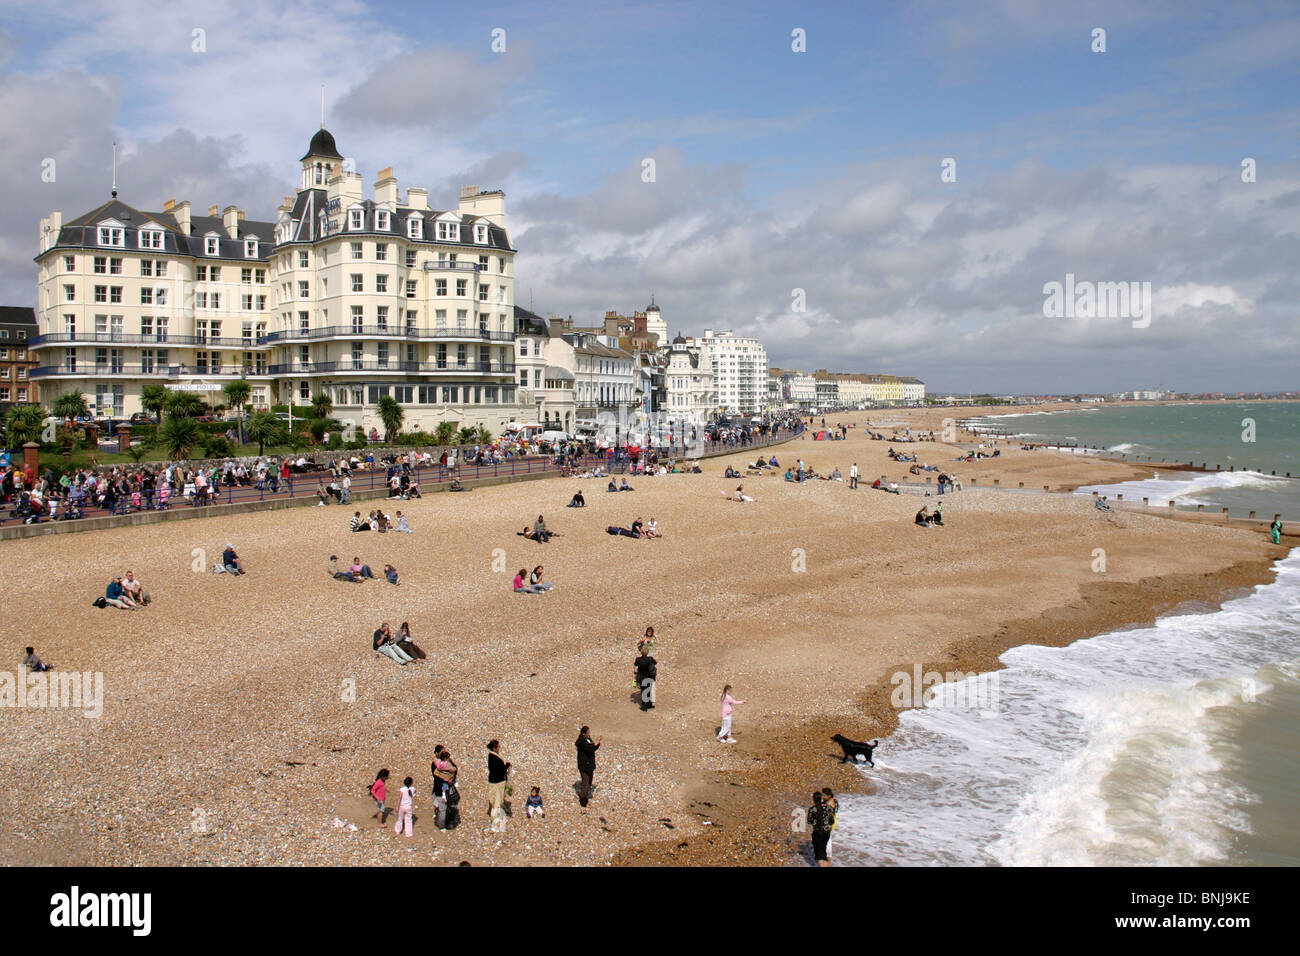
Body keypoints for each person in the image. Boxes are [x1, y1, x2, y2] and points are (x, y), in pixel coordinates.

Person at [575, 725, 601, 807]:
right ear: (583, 733)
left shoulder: (587, 739)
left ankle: (585, 795)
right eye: (588, 732)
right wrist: (596, 744)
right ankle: (583, 800)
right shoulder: (581, 742)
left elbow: (592, 748)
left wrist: (597, 744)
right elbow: (590, 749)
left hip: (589, 765)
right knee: (585, 782)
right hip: (584, 765)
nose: (589, 734)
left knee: (589, 781)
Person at [486, 740, 511, 824]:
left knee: (494, 800)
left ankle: (495, 816)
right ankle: (495, 820)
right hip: (498, 781)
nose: (499, 748)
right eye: (498, 746)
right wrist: (507, 765)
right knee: (497, 800)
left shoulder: (491, 756)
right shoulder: (495, 758)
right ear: (494, 748)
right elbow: (500, 770)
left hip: (492, 780)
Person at [808, 790, 834, 867]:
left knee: (819, 855)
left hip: (817, 832)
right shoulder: (828, 807)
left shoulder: (812, 809)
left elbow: (810, 821)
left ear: (814, 799)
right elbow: (832, 820)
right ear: (821, 799)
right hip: (826, 832)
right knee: (823, 853)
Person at [635, 644, 657, 711]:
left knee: (643, 691)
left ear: (641, 652)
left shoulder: (638, 659)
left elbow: (635, 665)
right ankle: (649, 704)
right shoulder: (650, 659)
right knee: (649, 691)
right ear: (647, 652)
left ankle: (644, 706)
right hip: (649, 676)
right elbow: (655, 663)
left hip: (641, 677)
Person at [821, 787, 839, 861]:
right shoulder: (834, 800)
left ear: (828, 796)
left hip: (829, 822)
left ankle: (828, 860)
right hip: (833, 820)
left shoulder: (828, 803)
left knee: (827, 840)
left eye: (824, 795)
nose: (822, 797)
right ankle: (827, 859)